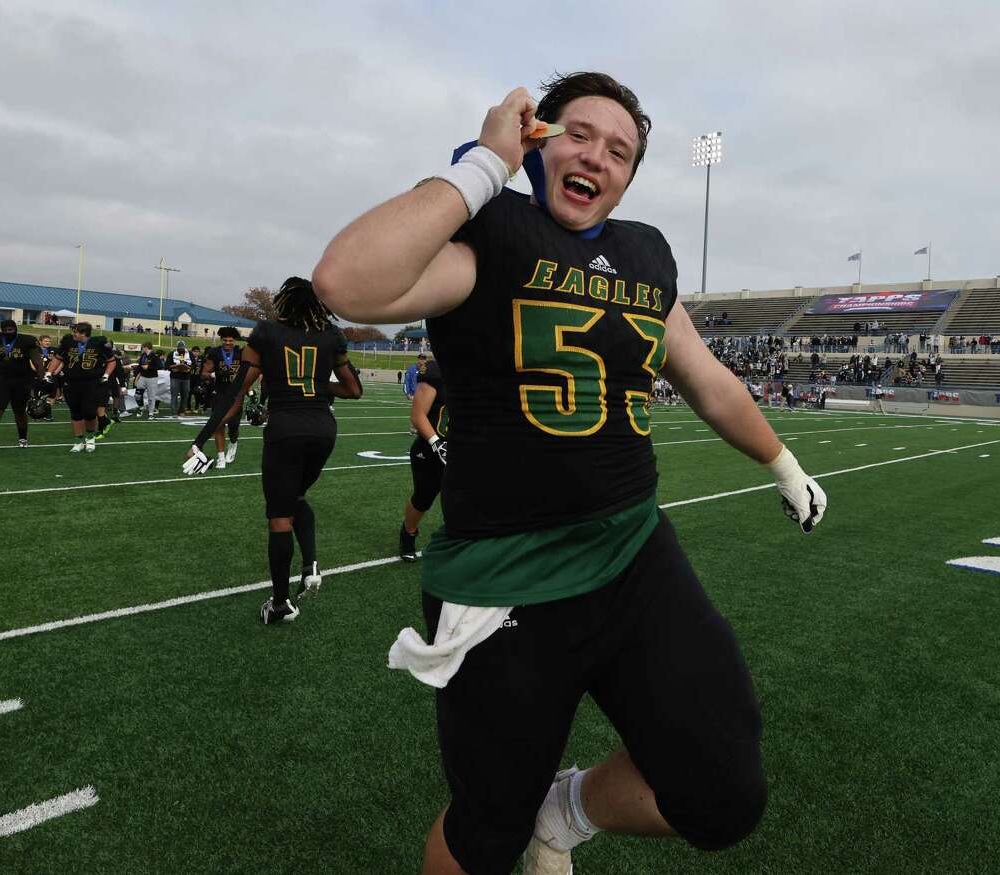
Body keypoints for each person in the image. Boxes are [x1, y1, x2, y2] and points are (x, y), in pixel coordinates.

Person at [312, 72, 827, 875]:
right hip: (507, 577)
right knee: (485, 832)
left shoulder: (643, 255)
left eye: (620, 151)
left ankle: (567, 810)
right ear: (539, 138)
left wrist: (781, 459)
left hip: (633, 554)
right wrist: (487, 159)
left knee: (724, 792)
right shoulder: (495, 230)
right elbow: (346, 282)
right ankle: (522, 819)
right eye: (579, 134)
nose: (597, 157)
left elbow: (706, 377)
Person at [182, 278, 362, 624]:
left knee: (280, 517)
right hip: (324, 429)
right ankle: (310, 563)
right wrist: (315, 383)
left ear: (285, 303)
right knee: (296, 498)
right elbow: (354, 390)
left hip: (286, 429)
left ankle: (280, 604)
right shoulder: (330, 335)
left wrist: (201, 440)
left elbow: (237, 392)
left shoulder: (266, 333)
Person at [400, 356, 448, 562]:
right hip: (430, 447)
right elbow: (418, 415)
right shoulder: (435, 370)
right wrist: (437, 443)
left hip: (463, 446)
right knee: (423, 498)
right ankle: (408, 532)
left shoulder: (477, 368)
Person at [0, 319, 42, 452]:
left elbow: (36, 360)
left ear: (15, 329)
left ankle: (23, 438)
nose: (9, 332)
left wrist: (41, 377)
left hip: (22, 380)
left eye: (11, 329)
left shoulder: (26, 341)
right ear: (2, 330)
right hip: (1, 379)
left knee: (20, 411)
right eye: (6, 330)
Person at [44, 321, 114, 453]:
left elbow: (112, 361)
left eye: (75, 332)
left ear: (83, 333)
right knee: (75, 412)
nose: (73, 334)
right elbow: (58, 358)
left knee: (90, 412)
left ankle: (90, 438)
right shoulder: (68, 342)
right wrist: (49, 372)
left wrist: (106, 375)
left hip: (91, 382)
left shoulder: (98, 343)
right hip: (71, 382)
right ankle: (78, 440)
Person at [201, 327, 245, 468]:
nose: (227, 343)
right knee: (218, 425)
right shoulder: (214, 353)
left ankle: (233, 442)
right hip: (220, 393)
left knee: (233, 426)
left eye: (230, 340)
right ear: (221, 340)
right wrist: (215, 374)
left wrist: (249, 391)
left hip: (236, 395)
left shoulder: (240, 352)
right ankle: (220, 457)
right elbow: (204, 373)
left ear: (234, 341)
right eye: (225, 340)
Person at [134, 342, 163, 418]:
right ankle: (141, 408)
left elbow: (160, 366)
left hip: (152, 378)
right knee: (137, 395)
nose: (142, 349)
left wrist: (149, 367)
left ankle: (151, 413)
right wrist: (136, 378)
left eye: (142, 347)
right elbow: (140, 367)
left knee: (151, 397)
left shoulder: (154, 356)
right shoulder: (143, 355)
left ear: (146, 347)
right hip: (142, 377)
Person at [168, 340, 193, 417]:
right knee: (174, 394)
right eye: (179, 349)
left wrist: (189, 369)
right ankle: (174, 411)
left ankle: (182, 410)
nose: (181, 350)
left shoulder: (190, 354)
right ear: (177, 348)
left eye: (182, 348)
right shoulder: (172, 354)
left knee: (185, 394)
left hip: (186, 377)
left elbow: (194, 364)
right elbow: (167, 365)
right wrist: (173, 368)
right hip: (175, 377)